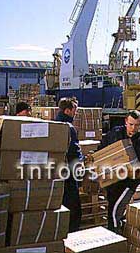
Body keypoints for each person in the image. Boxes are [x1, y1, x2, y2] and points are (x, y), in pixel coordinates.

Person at [100, 110, 140, 233]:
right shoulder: (116, 133)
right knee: (112, 207)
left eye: (137, 125)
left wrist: (138, 174)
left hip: (129, 183)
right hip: (112, 180)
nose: (133, 128)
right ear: (126, 121)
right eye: (131, 124)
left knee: (114, 211)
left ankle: (114, 236)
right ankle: (121, 231)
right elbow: (102, 149)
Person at [55, 97, 84, 232]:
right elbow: (74, 153)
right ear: (67, 111)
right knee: (74, 208)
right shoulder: (69, 128)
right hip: (69, 174)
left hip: (56, 171)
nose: (75, 113)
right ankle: (72, 235)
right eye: (74, 110)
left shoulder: (54, 124)